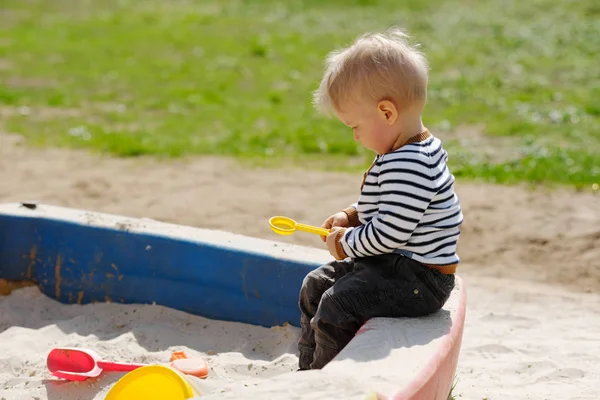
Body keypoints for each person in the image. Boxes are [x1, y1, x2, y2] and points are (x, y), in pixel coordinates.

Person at [297, 27, 463, 371]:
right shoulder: (403, 150)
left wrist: (345, 244)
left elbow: (391, 233)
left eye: (355, 126)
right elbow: (390, 207)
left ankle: (327, 379)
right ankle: (308, 368)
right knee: (315, 285)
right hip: (395, 264)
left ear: (387, 112)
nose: (356, 137)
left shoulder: (411, 162)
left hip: (420, 279)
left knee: (337, 304)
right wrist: (352, 216)